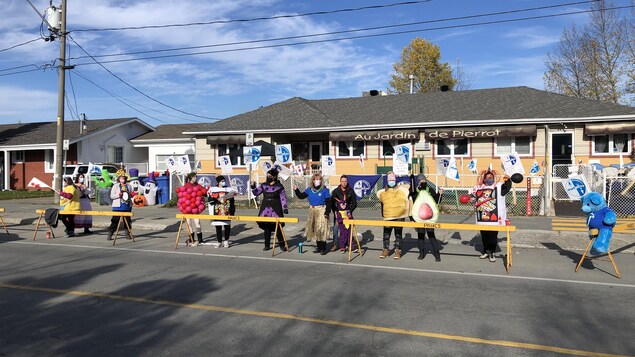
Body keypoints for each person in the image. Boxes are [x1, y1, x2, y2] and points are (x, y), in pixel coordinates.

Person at [469, 169, 512, 262]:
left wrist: (508, 180)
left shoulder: (499, 186)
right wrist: (470, 199)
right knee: (484, 235)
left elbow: (507, 188)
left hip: (495, 217)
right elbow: (472, 197)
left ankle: (492, 252)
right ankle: (485, 251)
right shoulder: (478, 187)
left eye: (491, 177)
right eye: (487, 177)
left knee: (493, 236)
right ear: (483, 179)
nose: (489, 179)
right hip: (482, 217)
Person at [251, 168, 289, 251]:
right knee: (267, 227)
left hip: (276, 208)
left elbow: (283, 198)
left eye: (270, 176)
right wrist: (253, 187)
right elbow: (256, 192)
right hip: (265, 209)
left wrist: (285, 207)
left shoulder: (279, 187)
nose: (268, 177)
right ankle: (267, 245)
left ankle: (282, 245)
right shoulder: (264, 185)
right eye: (267, 176)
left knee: (278, 228)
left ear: (275, 177)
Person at [293, 173, 331, 255]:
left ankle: (323, 248)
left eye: (319, 179)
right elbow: (301, 196)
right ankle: (319, 246)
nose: (318, 181)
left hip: (321, 211)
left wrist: (327, 212)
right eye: (316, 179)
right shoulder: (309, 190)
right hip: (313, 210)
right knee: (315, 229)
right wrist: (296, 190)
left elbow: (328, 202)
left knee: (321, 229)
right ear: (313, 181)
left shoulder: (325, 190)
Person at [377, 172, 411, 260]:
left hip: (399, 216)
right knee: (386, 233)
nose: (391, 181)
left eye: (392, 180)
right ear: (387, 181)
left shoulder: (401, 191)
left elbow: (406, 200)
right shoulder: (384, 192)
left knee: (398, 234)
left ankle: (398, 250)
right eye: (390, 180)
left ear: (395, 180)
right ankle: (385, 250)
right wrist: (383, 214)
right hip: (388, 216)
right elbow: (383, 204)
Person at [410, 174, 442, 262]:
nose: (423, 182)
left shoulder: (430, 190)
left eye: (424, 180)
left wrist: (440, 194)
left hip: (430, 218)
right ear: (418, 182)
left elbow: (436, 200)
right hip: (419, 218)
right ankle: (421, 253)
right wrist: (412, 219)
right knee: (420, 235)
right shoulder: (415, 191)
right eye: (421, 180)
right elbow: (412, 203)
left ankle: (437, 254)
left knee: (431, 235)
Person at [208, 175, 237, 248]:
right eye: (222, 181)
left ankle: (226, 240)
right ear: (218, 182)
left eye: (224, 181)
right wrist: (216, 199)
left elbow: (233, 199)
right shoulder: (213, 189)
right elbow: (210, 200)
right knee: (218, 226)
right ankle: (219, 241)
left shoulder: (228, 189)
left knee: (227, 226)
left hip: (226, 210)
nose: (223, 182)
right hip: (217, 210)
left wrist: (232, 211)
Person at [330, 175, 357, 252]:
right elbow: (332, 203)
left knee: (348, 230)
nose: (344, 183)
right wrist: (335, 211)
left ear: (347, 182)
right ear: (340, 182)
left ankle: (349, 245)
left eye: (345, 181)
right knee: (335, 229)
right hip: (338, 214)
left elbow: (354, 204)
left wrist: (349, 211)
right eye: (342, 181)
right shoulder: (336, 191)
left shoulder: (351, 191)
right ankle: (335, 244)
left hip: (347, 213)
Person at [107, 170, 133, 241]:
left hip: (126, 206)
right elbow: (112, 196)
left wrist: (130, 195)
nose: (123, 179)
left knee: (127, 221)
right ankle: (110, 233)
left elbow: (131, 194)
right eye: (121, 178)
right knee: (115, 221)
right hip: (117, 206)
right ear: (119, 178)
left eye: (124, 178)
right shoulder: (115, 186)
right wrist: (118, 195)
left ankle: (127, 233)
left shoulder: (129, 186)